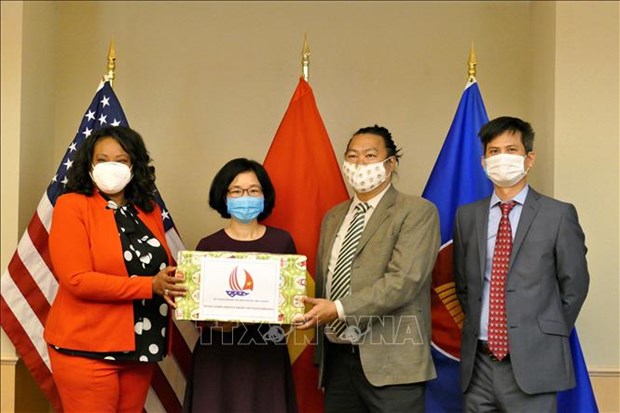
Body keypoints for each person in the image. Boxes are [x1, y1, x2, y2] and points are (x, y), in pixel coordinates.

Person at [296, 125, 440, 413]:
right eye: (353, 156)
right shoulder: (333, 216)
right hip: (337, 361)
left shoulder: (416, 211)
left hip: (392, 363)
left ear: (391, 163)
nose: (359, 164)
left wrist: (337, 309)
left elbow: (404, 281)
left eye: (370, 155)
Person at [44, 126, 186, 412]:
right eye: (102, 159)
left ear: (134, 165)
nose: (112, 167)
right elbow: (77, 280)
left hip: (141, 346)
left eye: (121, 160)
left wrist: (181, 284)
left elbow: (162, 268)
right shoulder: (72, 205)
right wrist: (150, 286)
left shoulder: (149, 210)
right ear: (89, 164)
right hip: (88, 349)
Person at [453, 116, 590, 412]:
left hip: (535, 363)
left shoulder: (558, 215)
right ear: (483, 161)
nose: (502, 158)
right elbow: (464, 285)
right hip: (479, 363)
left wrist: (543, 335)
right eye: (494, 151)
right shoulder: (467, 217)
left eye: (511, 150)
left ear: (529, 159)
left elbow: (575, 286)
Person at [183, 158, 298, 413]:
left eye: (253, 190)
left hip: (266, 356)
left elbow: (292, 308)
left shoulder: (282, 243)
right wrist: (214, 323)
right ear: (223, 197)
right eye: (236, 190)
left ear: (264, 195)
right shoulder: (207, 247)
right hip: (217, 357)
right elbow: (194, 311)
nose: (245, 196)